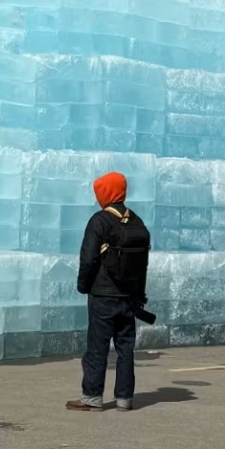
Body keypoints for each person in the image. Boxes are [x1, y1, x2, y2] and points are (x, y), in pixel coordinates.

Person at [67, 171, 151, 413]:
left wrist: (83, 285)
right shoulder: (136, 221)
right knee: (125, 347)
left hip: (103, 295)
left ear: (105, 193)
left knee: (98, 347)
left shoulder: (99, 221)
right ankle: (125, 399)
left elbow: (89, 259)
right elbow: (142, 263)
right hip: (129, 296)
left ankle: (92, 397)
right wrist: (138, 295)